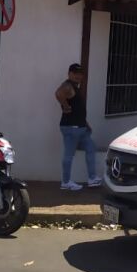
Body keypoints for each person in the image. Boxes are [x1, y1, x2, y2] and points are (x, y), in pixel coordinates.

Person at [54, 63, 102, 191]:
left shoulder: (75, 86)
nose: (78, 76)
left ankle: (92, 179)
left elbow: (78, 108)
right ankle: (65, 182)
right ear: (69, 73)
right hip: (71, 128)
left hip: (80, 127)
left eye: (80, 74)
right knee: (69, 155)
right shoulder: (68, 85)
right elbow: (58, 93)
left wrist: (85, 123)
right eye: (75, 73)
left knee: (91, 148)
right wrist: (65, 106)